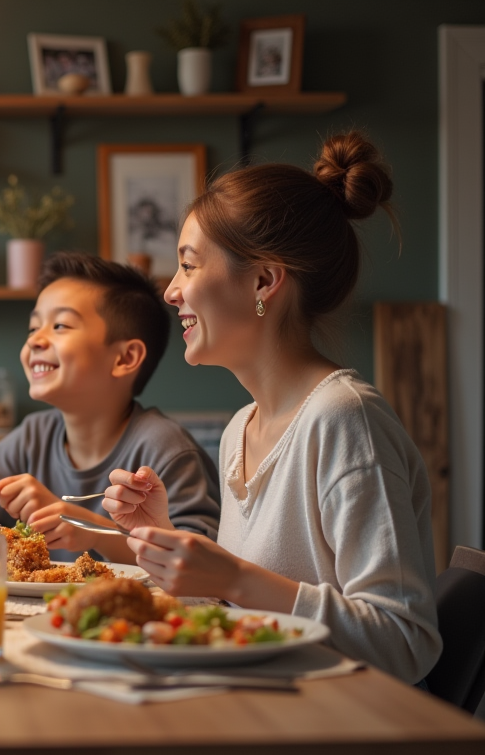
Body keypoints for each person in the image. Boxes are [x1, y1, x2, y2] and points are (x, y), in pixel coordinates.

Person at [106, 131, 442, 685]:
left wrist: (235, 578)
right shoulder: (243, 426)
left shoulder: (344, 419)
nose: (170, 291)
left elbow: (405, 642)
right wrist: (165, 539)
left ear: (264, 279)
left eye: (188, 266)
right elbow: (252, 621)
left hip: (346, 753)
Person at [0, 252, 220, 564]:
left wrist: (93, 531)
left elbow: (198, 562)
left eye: (60, 326)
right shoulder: (35, 435)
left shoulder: (165, 449)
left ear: (125, 358)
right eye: (33, 327)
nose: (35, 340)